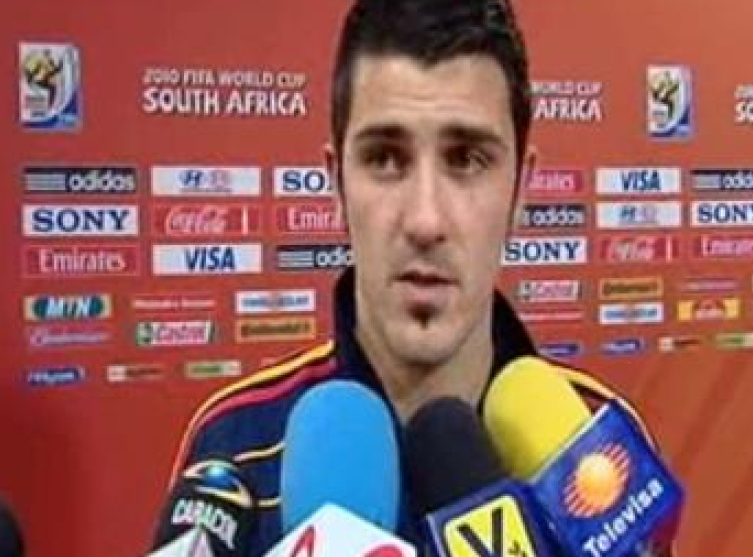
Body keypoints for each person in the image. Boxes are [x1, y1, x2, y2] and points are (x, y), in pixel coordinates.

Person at [158, 0, 654, 554]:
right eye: (386, 159)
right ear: (336, 185)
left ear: (521, 190)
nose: (425, 220)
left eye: (467, 159)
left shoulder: (595, 452)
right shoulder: (234, 449)